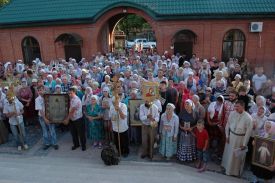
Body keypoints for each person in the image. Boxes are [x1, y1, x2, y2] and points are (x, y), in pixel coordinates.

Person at [221, 100, 253, 176]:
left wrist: (244, 144)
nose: (236, 108)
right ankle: (226, 168)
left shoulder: (248, 118)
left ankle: (234, 172)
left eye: (237, 106)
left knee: (236, 157)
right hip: (231, 137)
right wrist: (227, 136)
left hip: (240, 140)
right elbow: (228, 124)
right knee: (228, 153)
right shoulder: (232, 113)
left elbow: (248, 133)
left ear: (243, 107)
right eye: (235, 106)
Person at [251, 118, 275, 183]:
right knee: (257, 170)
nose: (267, 128)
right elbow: (256, 143)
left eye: (269, 127)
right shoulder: (261, 133)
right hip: (259, 157)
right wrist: (254, 143)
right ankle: (255, 180)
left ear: (272, 128)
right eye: (266, 126)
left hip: (269, 160)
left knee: (267, 173)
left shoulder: (274, 137)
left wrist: (274, 163)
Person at [35, 85, 58, 150]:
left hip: (50, 116)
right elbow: (40, 110)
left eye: (41, 90)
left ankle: (54, 143)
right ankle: (47, 143)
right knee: (45, 131)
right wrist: (45, 118)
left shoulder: (48, 97)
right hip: (42, 117)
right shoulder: (37, 99)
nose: (40, 91)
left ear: (44, 90)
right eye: (39, 90)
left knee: (52, 130)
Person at [64, 87, 86, 151]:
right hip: (72, 119)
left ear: (74, 92)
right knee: (73, 133)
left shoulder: (76, 99)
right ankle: (76, 144)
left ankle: (83, 146)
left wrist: (67, 119)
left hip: (78, 119)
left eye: (71, 93)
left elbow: (72, 111)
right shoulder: (71, 99)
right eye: (69, 93)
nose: (69, 94)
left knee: (81, 133)